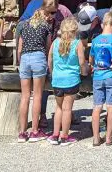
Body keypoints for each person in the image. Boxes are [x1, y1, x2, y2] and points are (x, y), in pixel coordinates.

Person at [17, 0, 56, 142]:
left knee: (25, 96)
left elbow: (19, 49)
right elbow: (47, 48)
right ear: (44, 13)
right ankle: (34, 130)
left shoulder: (24, 25)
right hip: (38, 57)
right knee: (38, 95)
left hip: (25, 59)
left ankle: (22, 132)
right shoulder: (45, 27)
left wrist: (20, 63)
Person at [47, 17, 87, 146]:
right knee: (67, 109)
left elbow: (50, 60)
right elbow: (82, 62)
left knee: (58, 107)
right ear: (75, 30)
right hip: (71, 79)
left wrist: (53, 73)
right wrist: (84, 71)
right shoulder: (77, 43)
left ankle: (55, 135)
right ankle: (64, 136)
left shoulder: (55, 42)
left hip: (57, 79)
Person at [89, 10, 112, 146]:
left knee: (97, 107)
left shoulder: (95, 40)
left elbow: (91, 59)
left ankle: (96, 138)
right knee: (111, 107)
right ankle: (109, 138)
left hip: (98, 76)